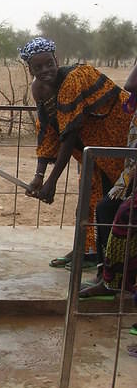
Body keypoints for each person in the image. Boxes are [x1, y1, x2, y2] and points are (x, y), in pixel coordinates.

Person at [20, 37, 132, 266]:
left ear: (57, 60)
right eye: (38, 67)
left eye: (49, 63)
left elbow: (69, 133)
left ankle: (114, 262)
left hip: (119, 140)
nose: (45, 70)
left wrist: (51, 182)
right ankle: (88, 252)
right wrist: (39, 176)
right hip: (92, 149)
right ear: (29, 68)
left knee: (117, 201)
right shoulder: (38, 89)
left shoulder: (73, 78)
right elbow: (48, 130)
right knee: (90, 199)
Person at [79, 63, 137, 299]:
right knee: (106, 209)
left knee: (124, 214)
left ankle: (123, 283)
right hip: (133, 168)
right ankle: (109, 279)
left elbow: (130, 84)